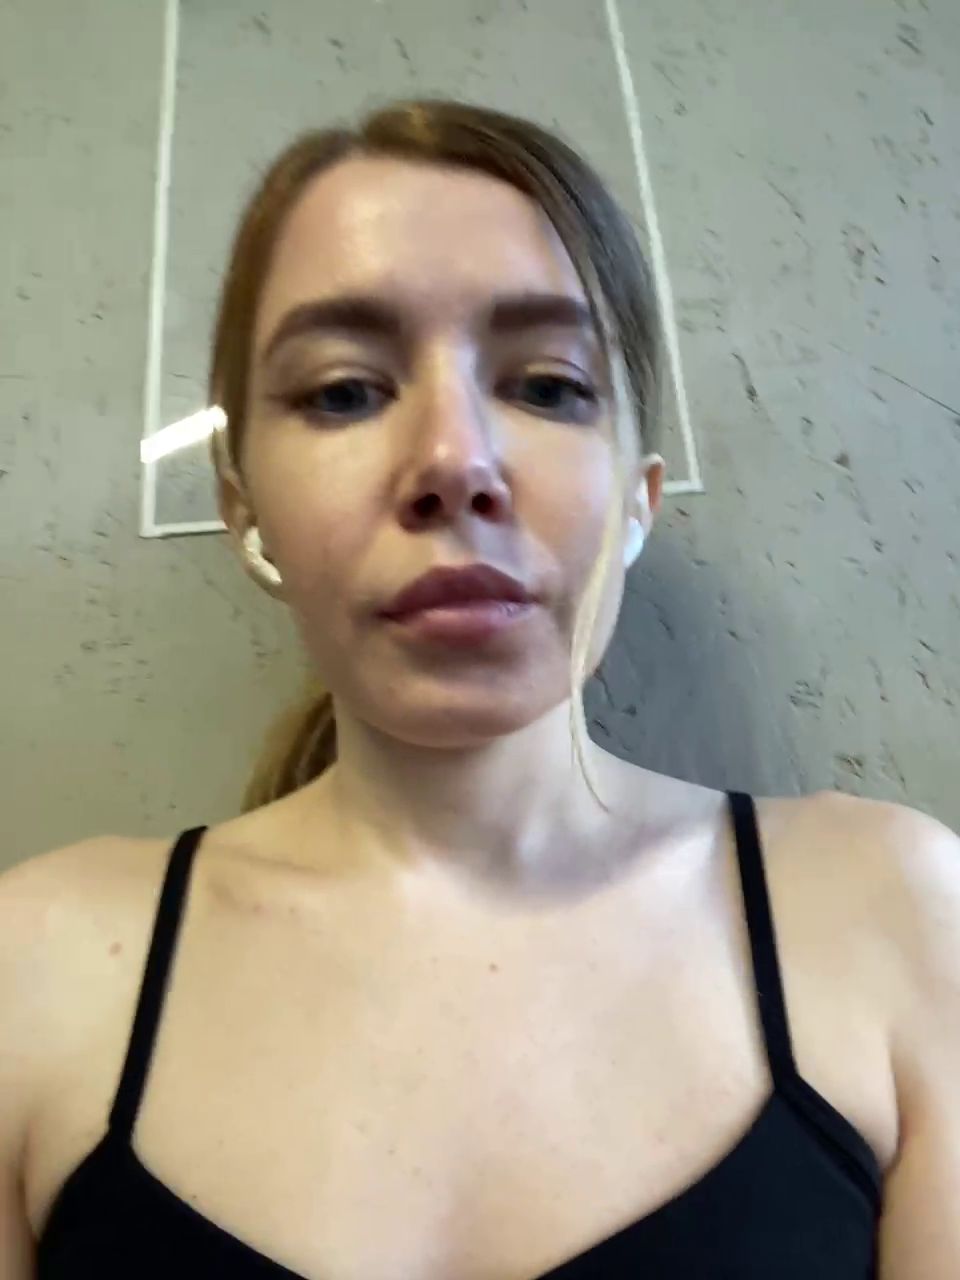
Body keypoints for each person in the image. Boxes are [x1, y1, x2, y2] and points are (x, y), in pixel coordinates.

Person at [2, 98, 958, 1280]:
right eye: (343, 391)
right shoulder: (35, 969)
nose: (454, 460)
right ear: (244, 507)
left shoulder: (897, 919)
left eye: (549, 385)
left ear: (639, 502)